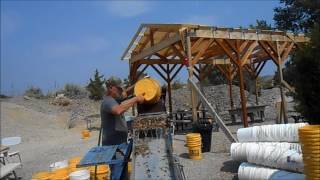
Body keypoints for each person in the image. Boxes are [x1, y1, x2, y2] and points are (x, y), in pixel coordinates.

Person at [101, 78, 144, 146]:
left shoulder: (115, 99)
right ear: (111, 87)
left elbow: (126, 93)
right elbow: (118, 110)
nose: (121, 91)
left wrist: (138, 84)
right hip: (112, 145)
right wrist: (136, 98)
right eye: (119, 89)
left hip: (119, 141)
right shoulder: (108, 101)